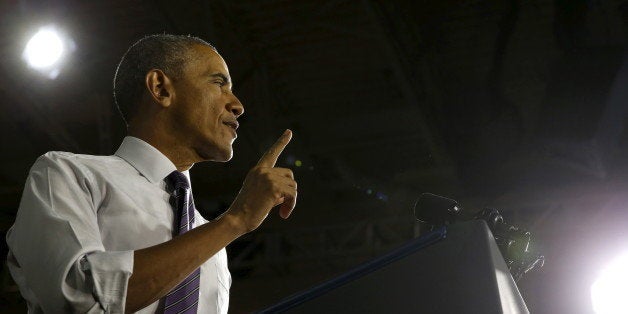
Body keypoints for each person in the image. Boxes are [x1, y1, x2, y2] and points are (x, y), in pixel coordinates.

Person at [6, 34, 297, 313]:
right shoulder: (66, 174)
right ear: (160, 88)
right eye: (219, 83)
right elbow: (78, 298)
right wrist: (236, 220)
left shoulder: (213, 244)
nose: (237, 105)